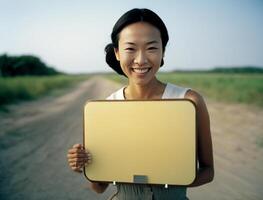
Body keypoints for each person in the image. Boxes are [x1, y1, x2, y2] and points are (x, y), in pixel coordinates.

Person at [67, 8, 214, 200]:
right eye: (130, 48)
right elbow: (99, 188)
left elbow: (208, 171)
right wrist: (85, 166)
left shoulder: (190, 101)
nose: (141, 60)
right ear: (117, 53)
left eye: (152, 48)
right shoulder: (106, 109)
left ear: (163, 51)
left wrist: (170, 178)